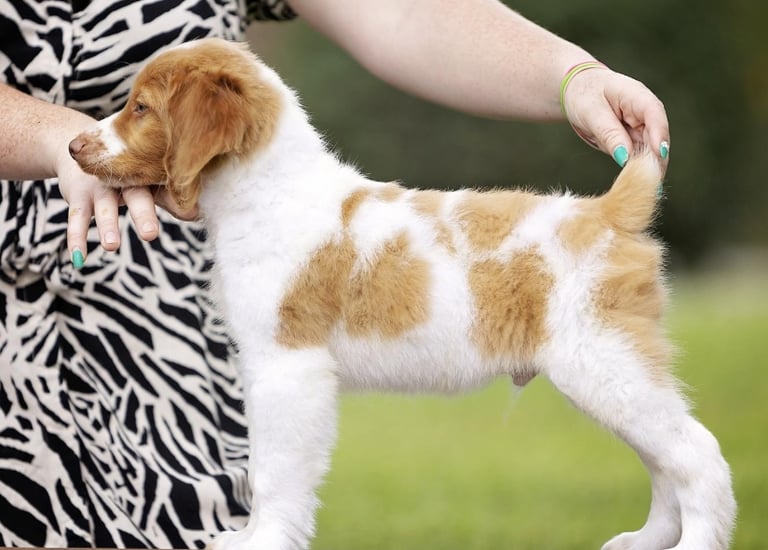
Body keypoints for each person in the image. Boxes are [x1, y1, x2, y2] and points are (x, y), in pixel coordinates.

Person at [0, 0, 669, 547]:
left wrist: (570, 74)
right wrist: (45, 135)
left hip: (165, 331)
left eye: (140, 110)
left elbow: (407, 14)